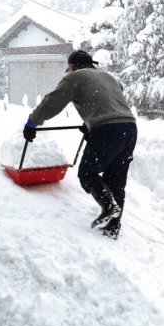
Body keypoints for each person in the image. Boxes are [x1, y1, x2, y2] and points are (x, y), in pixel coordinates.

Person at [23, 50, 137, 239]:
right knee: (116, 179)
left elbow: (52, 101)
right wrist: (90, 124)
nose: (67, 72)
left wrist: (32, 122)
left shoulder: (76, 77)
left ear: (74, 66)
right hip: (129, 128)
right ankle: (113, 226)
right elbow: (109, 101)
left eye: (68, 68)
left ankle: (109, 207)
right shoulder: (110, 77)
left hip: (107, 130)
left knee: (87, 173)